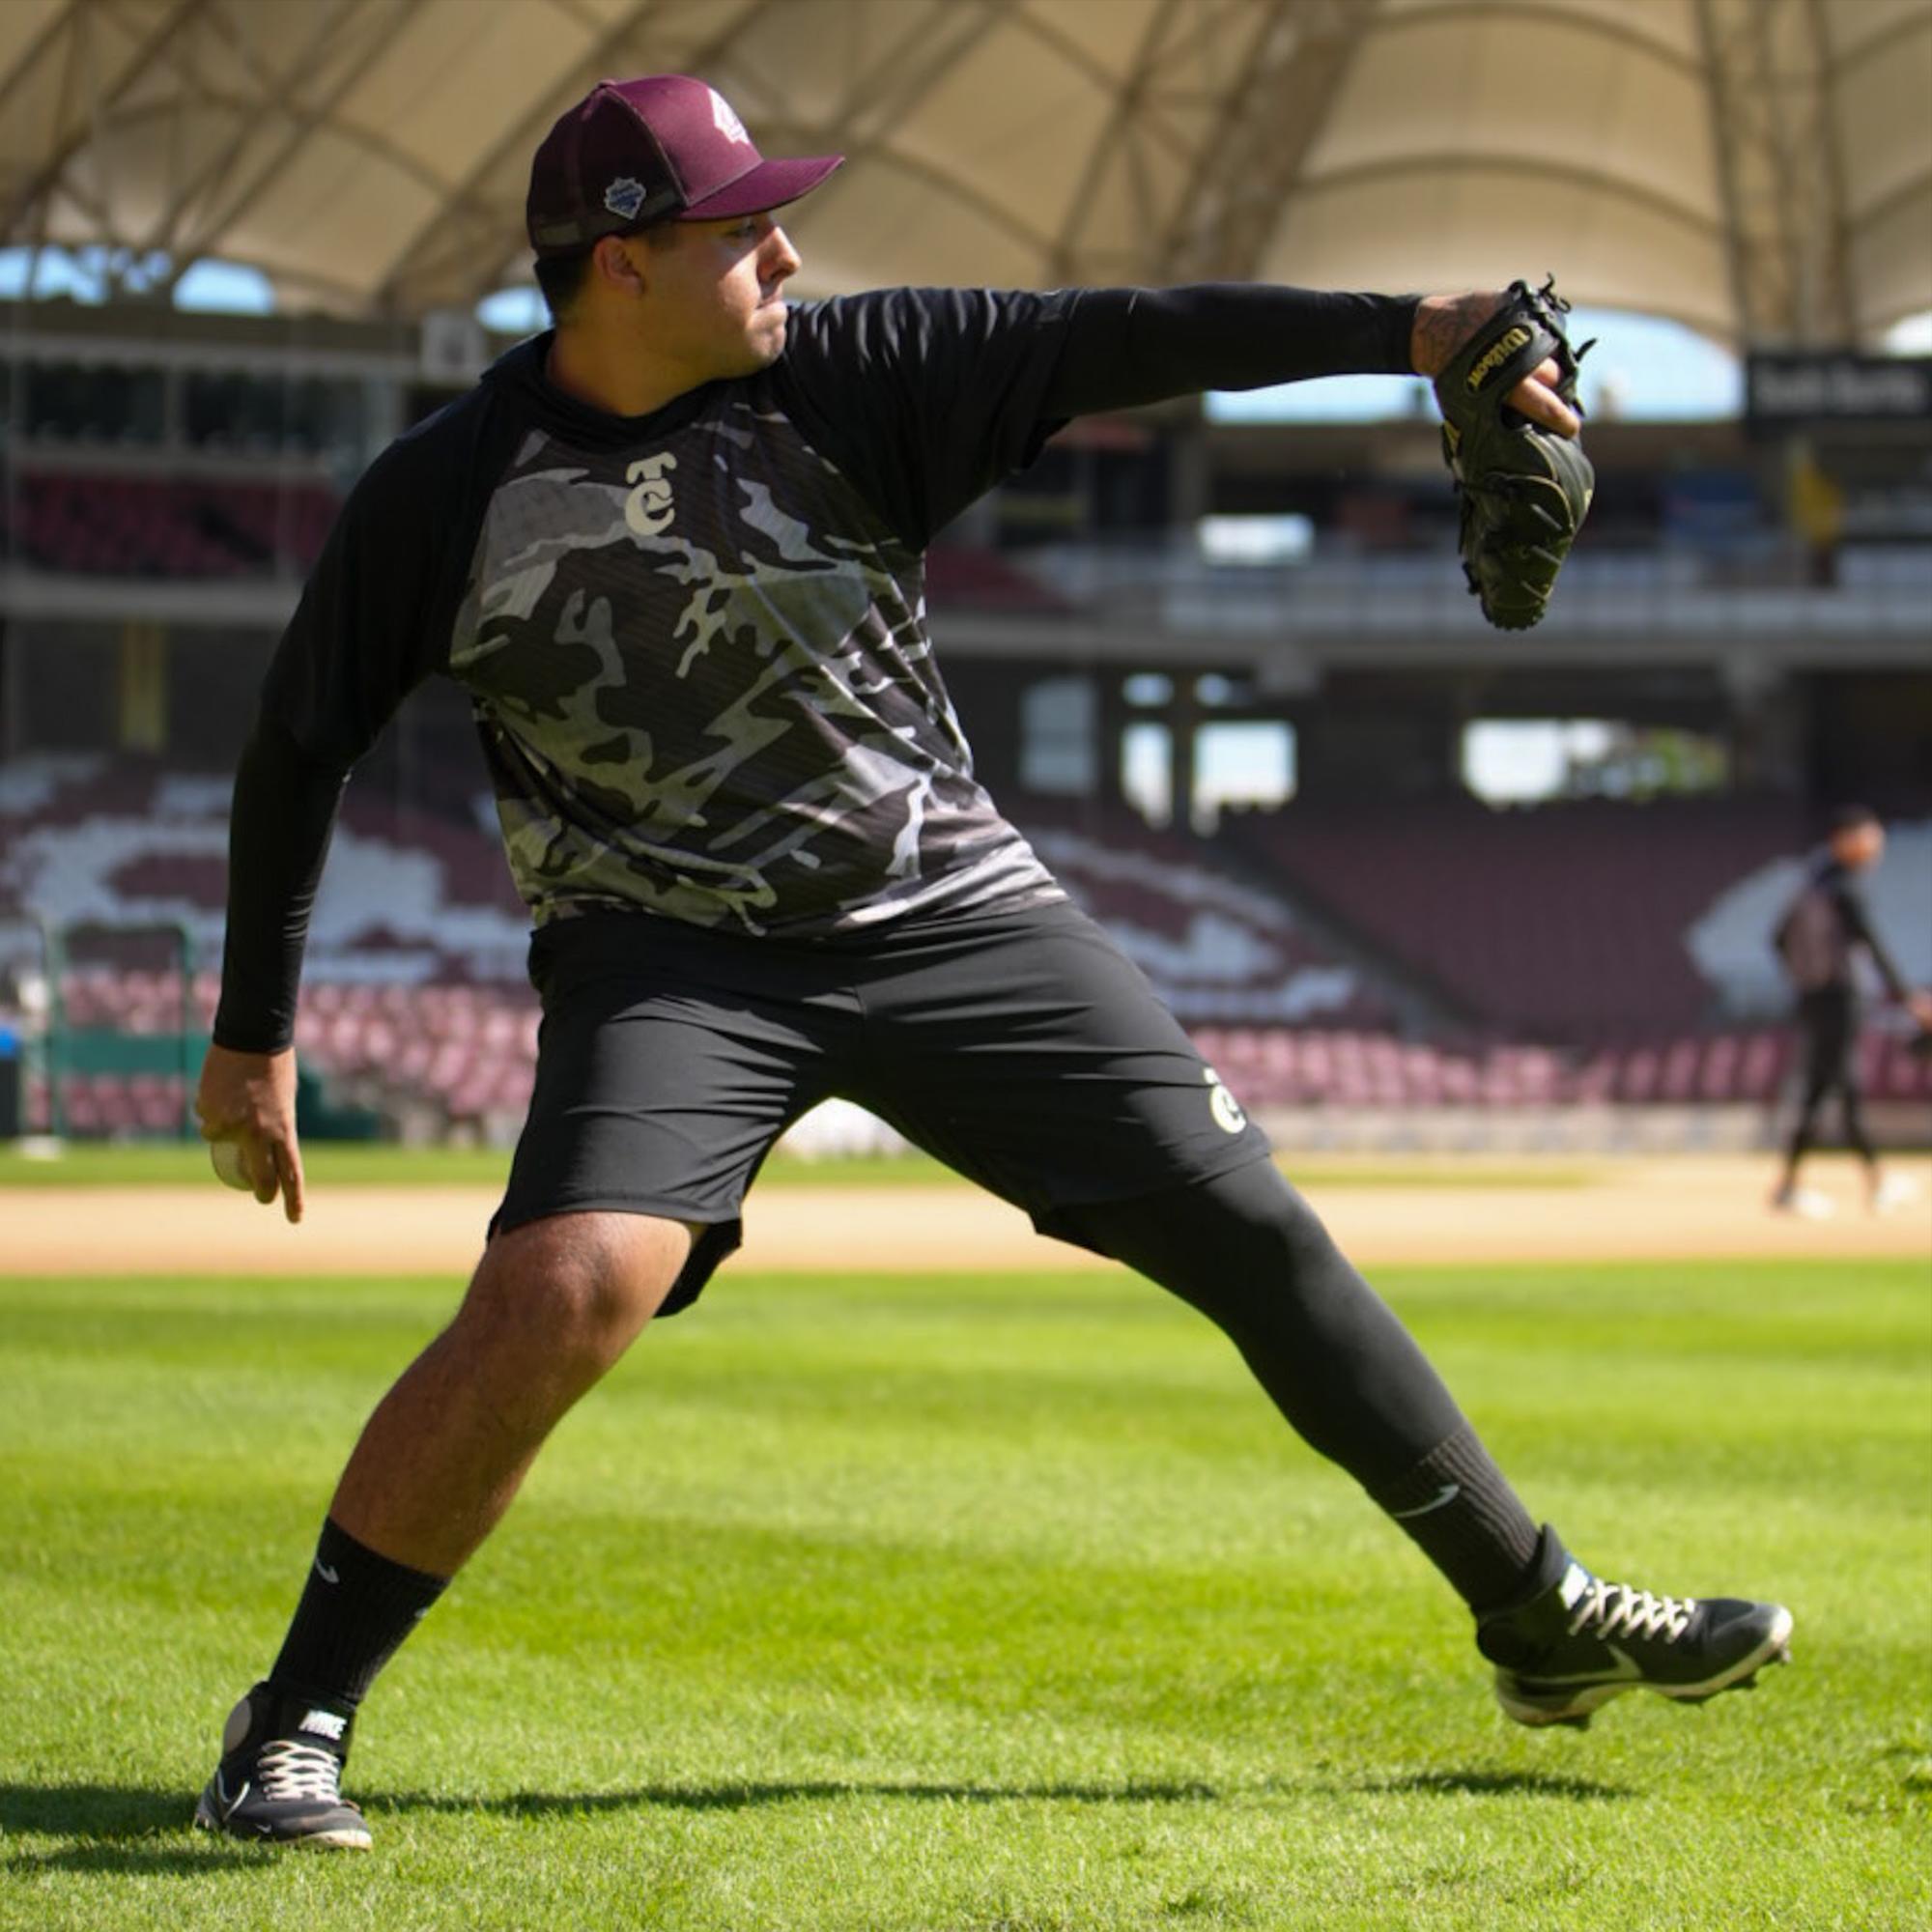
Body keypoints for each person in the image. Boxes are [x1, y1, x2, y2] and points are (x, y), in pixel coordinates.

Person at [191, 75, 1794, 1852]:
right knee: (563, 1290)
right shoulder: (442, 494)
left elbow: (1126, 335)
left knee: (1248, 1224)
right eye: (745, 229)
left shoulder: (854, 373)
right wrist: (253, 1035)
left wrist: (1417, 329)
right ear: (621, 264)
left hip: (950, 909)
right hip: (670, 958)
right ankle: (296, 1717)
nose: (788, 249)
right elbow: (298, 742)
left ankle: (1536, 1612)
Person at [1770, 805, 1932, 1217]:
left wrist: (1805, 982)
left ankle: (1790, 1186)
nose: (1876, 847)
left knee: (1823, 1089)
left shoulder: (1812, 886)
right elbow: (1872, 944)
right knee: (1845, 1087)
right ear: (1846, 839)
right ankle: (1877, 1182)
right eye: (1870, 837)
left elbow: (1776, 938)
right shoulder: (1844, 887)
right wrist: (1910, 998)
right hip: (1841, 998)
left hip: (1817, 999)